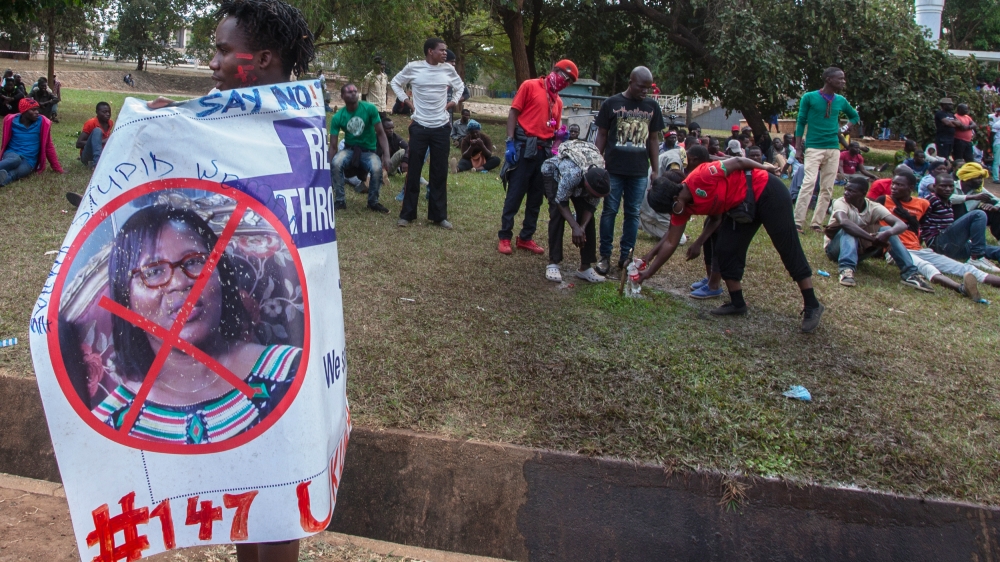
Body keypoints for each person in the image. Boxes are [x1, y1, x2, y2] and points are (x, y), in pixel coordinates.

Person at [145, 1, 317, 558]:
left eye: (223, 51)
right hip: (225, 325)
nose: (213, 62)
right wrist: (154, 125)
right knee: (241, 473)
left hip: (282, 335)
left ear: (260, 59)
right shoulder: (215, 121)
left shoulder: (299, 124)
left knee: (279, 475)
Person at [94, 205, 302, 441]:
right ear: (126, 302)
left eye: (194, 262)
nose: (180, 282)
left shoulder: (290, 373)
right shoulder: (109, 424)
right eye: (152, 272)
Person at [638, 145, 825, 333]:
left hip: (766, 191)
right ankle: (737, 302)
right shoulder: (680, 208)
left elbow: (737, 162)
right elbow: (671, 241)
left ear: (676, 196)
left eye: (673, 208)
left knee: (788, 248)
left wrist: (764, 168)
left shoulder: (702, 176)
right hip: (740, 207)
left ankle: (812, 304)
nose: (675, 213)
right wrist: (648, 273)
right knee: (725, 250)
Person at [497, 59, 577, 254]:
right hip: (524, 146)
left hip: (545, 151)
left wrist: (559, 137)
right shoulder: (530, 85)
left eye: (568, 82)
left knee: (536, 197)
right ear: (554, 70)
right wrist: (509, 142)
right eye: (564, 77)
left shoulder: (557, 101)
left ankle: (526, 237)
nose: (564, 83)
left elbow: (554, 128)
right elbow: (514, 112)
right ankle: (505, 236)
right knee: (515, 194)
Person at [877, 174, 994, 300]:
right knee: (926, 267)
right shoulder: (883, 200)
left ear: (911, 187)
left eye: (899, 185)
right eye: (893, 184)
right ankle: (961, 288)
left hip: (918, 249)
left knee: (964, 268)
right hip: (896, 250)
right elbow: (868, 216)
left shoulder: (922, 204)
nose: (894, 187)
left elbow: (922, 226)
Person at [593, 66, 664, 275]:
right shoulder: (611, 103)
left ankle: (626, 256)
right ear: (631, 82)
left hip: (639, 171)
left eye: (648, 88)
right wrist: (597, 162)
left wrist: (656, 170)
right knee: (609, 211)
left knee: (633, 213)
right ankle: (604, 256)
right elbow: (602, 135)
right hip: (613, 169)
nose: (645, 92)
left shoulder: (652, 107)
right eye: (641, 87)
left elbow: (653, 139)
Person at [390, 37, 465, 229]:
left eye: (445, 50)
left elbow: (460, 86)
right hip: (420, 126)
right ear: (430, 51)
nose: (445, 53)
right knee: (413, 169)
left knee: (439, 172)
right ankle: (407, 214)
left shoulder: (448, 69)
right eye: (441, 50)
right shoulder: (414, 67)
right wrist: (406, 101)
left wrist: (454, 101)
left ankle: (439, 216)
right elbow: (396, 82)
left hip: (441, 127)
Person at [824, 176, 932, 290]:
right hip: (835, 249)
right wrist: (872, 239)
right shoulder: (841, 203)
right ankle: (846, 270)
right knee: (849, 228)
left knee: (887, 230)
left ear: (863, 193)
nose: (846, 193)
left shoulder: (873, 207)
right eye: (846, 189)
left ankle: (910, 274)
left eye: (851, 191)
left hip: (859, 250)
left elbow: (901, 225)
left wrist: (887, 234)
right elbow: (844, 222)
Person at [793, 67, 861, 233]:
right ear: (829, 79)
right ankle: (797, 221)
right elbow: (801, 121)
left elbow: (854, 116)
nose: (843, 81)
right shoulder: (809, 97)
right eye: (840, 78)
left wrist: (844, 128)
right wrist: (798, 148)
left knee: (827, 187)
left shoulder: (840, 100)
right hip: (814, 147)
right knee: (808, 183)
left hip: (832, 148)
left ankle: (816, 223)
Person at [541, 140, 612, 282]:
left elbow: (591, 207)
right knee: (557, 214)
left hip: (583, 176)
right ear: (586, 185)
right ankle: (553, 262)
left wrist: (582, 227)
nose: (595, 197)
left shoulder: (601, 179)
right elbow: (561, 201)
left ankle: (585, 267)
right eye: (593, 194)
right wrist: (574, 226)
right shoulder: (572, 174)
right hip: (554, 173)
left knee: (587, 218)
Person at [329, 83, 392, 213]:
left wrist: (386, 155)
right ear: (342, 96)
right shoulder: (338, 117)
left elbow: (381, 133)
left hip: (368, 151)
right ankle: (340, 200)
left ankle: (373, 202)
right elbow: (333, 146)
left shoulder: (370, 109)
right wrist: (327, 166)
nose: (353, 93)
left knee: (376, 167)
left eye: (355, 91)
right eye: (349, 91)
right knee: (336, 162)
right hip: (349, 150)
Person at [919, 174, 1000, 271]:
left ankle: (978, 254)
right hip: (939, 244)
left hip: (954, 245)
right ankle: (977, 257)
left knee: (996, 250)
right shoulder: (931, 200)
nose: (948, 189)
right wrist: (917, 247)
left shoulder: (947, 202)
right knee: (978, 214)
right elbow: (917, 221)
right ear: (934, 187)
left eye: (951, 186)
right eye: (943, 186)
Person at [0, 98, 63, 186]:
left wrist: (57, 168)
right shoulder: (11, 120)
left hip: (29, 160)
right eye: (33, 110)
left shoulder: (43, 122)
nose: (37, 112)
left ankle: (2, 180)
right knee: (14, 160)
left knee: (15, 173)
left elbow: (49, 146)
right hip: (12, 153)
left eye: (37, 109)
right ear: (24, 111)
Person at [77, 101, 113, 168]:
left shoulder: (110, 123)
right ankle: (96, 165)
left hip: (103, 154)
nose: (108, 114)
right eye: (104, 112)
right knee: (97, 131)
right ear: (97, 112)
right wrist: (101, 141)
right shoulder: (91, 123)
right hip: (88, 158)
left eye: (109, 112)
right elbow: (78, 144)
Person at [992, 109, 1000, 184]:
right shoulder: (998, 123)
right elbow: (992, 133)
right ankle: (996, 178)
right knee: (997, 161)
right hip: (998, 143)